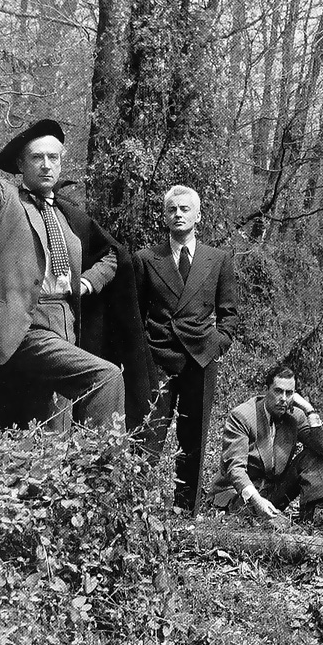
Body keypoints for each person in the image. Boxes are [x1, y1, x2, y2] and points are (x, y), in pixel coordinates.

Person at [0, 76, 152, 432]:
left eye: (53, 158)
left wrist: (87, 283)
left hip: (66, 324)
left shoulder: (70, 216)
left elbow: (114, 257)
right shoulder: (6, 200)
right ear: (21, 165)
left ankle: (66, 480)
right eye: (37, 158)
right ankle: (102, 472)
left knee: (52, 434)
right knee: (105, 377)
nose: (46, 165)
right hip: (24, 326)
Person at [134, 184, 239, 512]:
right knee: (148, 435)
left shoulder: (218, 259)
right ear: (164, 216)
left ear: (197, 215)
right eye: (172, 210)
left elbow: (230, 314)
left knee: (194, 438)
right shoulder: (146, 259)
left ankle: (185, 510)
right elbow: (134, 314)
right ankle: (135, 505)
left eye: (184, 209)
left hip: (200, 358)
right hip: (158, 358)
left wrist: (217, 344)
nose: (178, 215)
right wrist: (143, 353)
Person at [210, 365, 323, 526]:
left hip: (271, 492)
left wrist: (309, 410)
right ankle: (284, 526)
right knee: (284, 530)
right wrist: (257, 500)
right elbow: (235, 470)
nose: (284, 398)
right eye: (278, 391)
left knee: (313, 455)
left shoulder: (294, 416)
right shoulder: (242, 416)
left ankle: (308, 517)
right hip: (238, 495)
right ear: (266, 390)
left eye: (289, 393)